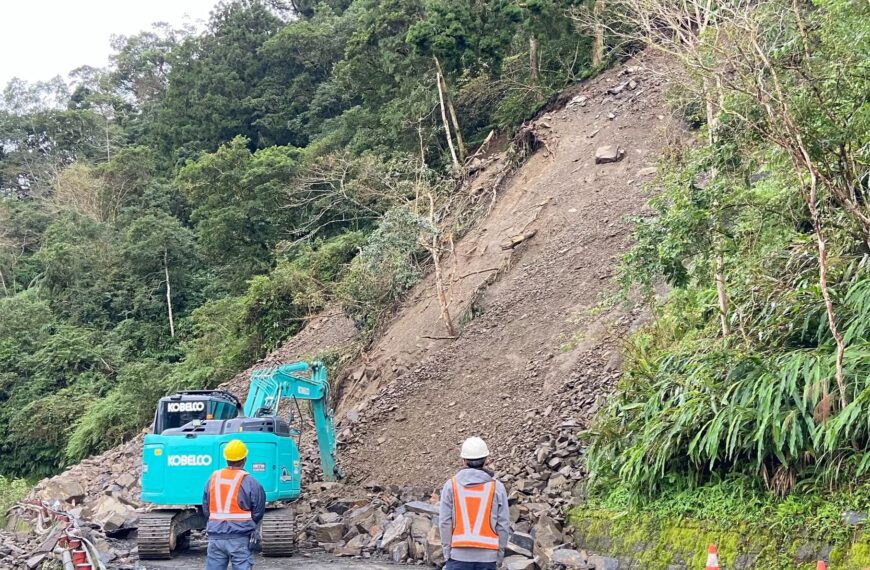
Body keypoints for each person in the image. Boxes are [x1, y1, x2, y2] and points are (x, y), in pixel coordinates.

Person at [439, 436, 510, 570]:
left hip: (457, 557)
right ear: (486, 460)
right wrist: (499, 556)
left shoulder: (451, 486)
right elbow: (503, 524)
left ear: (464, 461)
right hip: (488, 558)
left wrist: (447, 554)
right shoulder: (497, 488)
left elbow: (444, 522)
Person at [203, 439, 266, 570]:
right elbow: (258, 510)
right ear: (244, 459)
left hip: (216, 536)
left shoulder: (213, 478)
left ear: (226, 458)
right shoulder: (250, 481)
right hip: (239, 537)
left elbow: (206, 506)